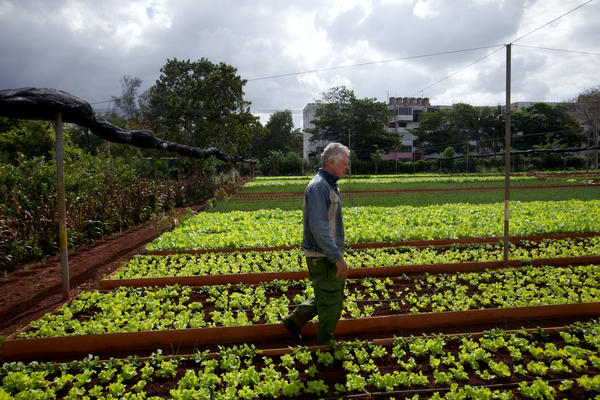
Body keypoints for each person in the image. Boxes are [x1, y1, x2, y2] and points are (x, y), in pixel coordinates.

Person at [282, 142, 350, 346]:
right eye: (344, 163)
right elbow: (319, 228)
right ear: (331, 162)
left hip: (326, 253)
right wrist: (336, 257)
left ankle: (294, 321)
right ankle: (325, 344)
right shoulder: (319, 187)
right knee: (330, 301)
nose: (347, 167)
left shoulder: (329, 184)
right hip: (322, 255)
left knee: (329, 295)